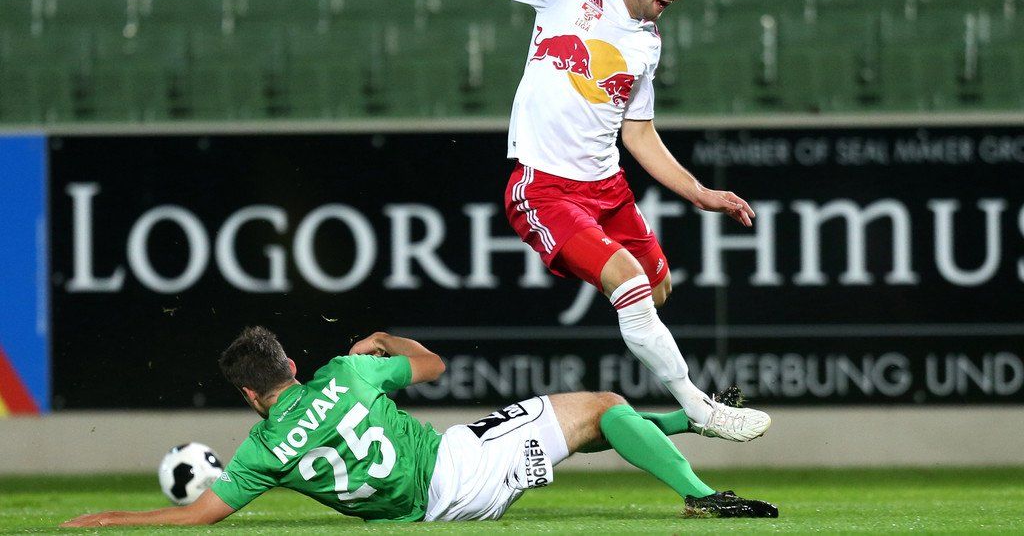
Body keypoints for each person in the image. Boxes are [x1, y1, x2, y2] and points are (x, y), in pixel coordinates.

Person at [360, 0, 769, 441]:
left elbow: (638, 133)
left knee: (657, 290)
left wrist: (700, 193)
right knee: (629, 281)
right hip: (545, 189)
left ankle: (628, 302)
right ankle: (699, 408)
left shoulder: (648, 43)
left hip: (608, 188)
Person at [62, 326, 777, 527]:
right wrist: (383, 338)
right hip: (458, 466)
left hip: (429, 508)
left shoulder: (262, 450)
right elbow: (434, 365)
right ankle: (700, 491)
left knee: (586, 429)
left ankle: (695, 418)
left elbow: (198, 517)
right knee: (605, 406)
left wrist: (106, 520)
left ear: (251, 393)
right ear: (292, 364)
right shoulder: (348, 373)